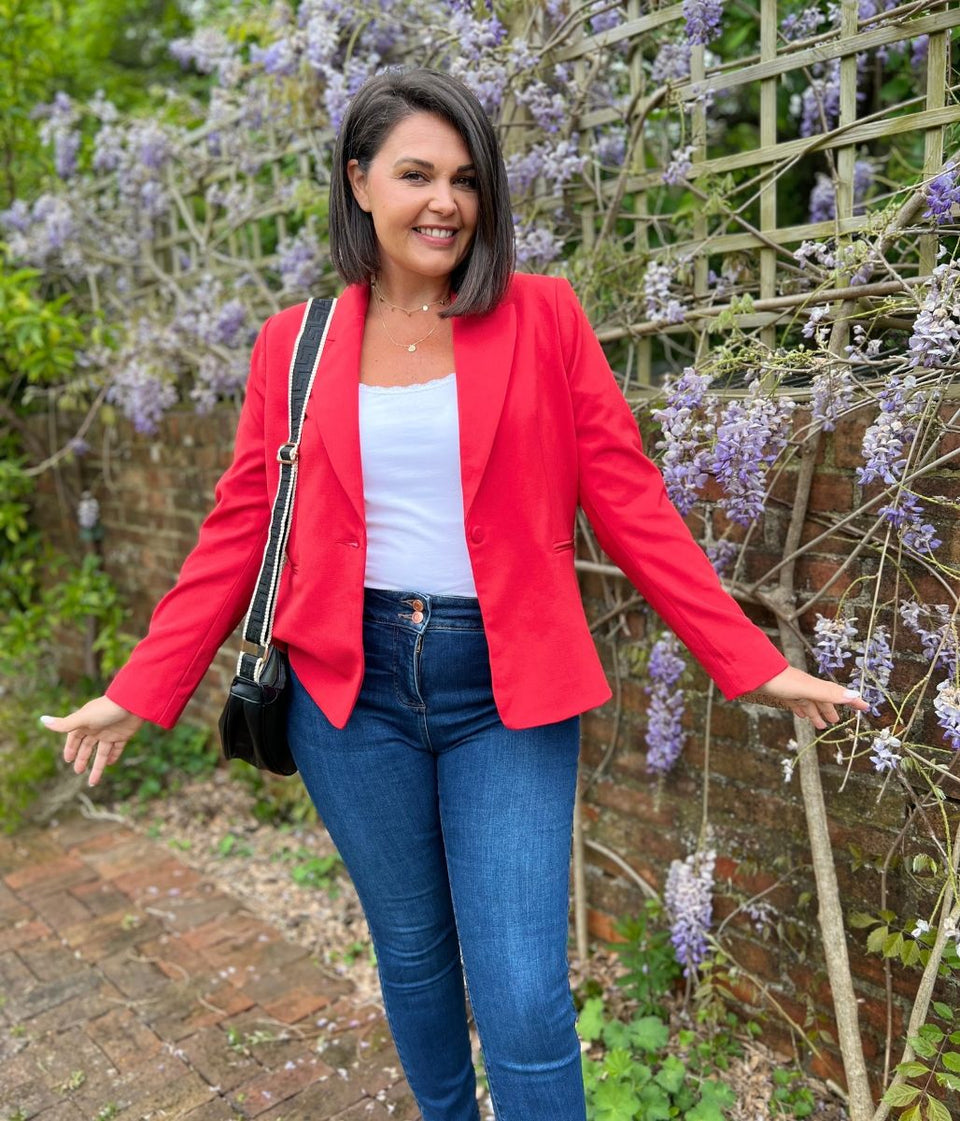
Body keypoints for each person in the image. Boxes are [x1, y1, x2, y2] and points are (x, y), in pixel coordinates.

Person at [42, 67, 869, 1121]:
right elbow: (240, 530)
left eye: (467, 180)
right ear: (360, 182)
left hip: (506, 687)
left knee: (523, 991)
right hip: (351, 691)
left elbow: (630, 502)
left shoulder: (544, 317)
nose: (446, 202)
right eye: (418, 174)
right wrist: (142, 685)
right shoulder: (293, 344)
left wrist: (750, 660)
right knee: (417, 954)